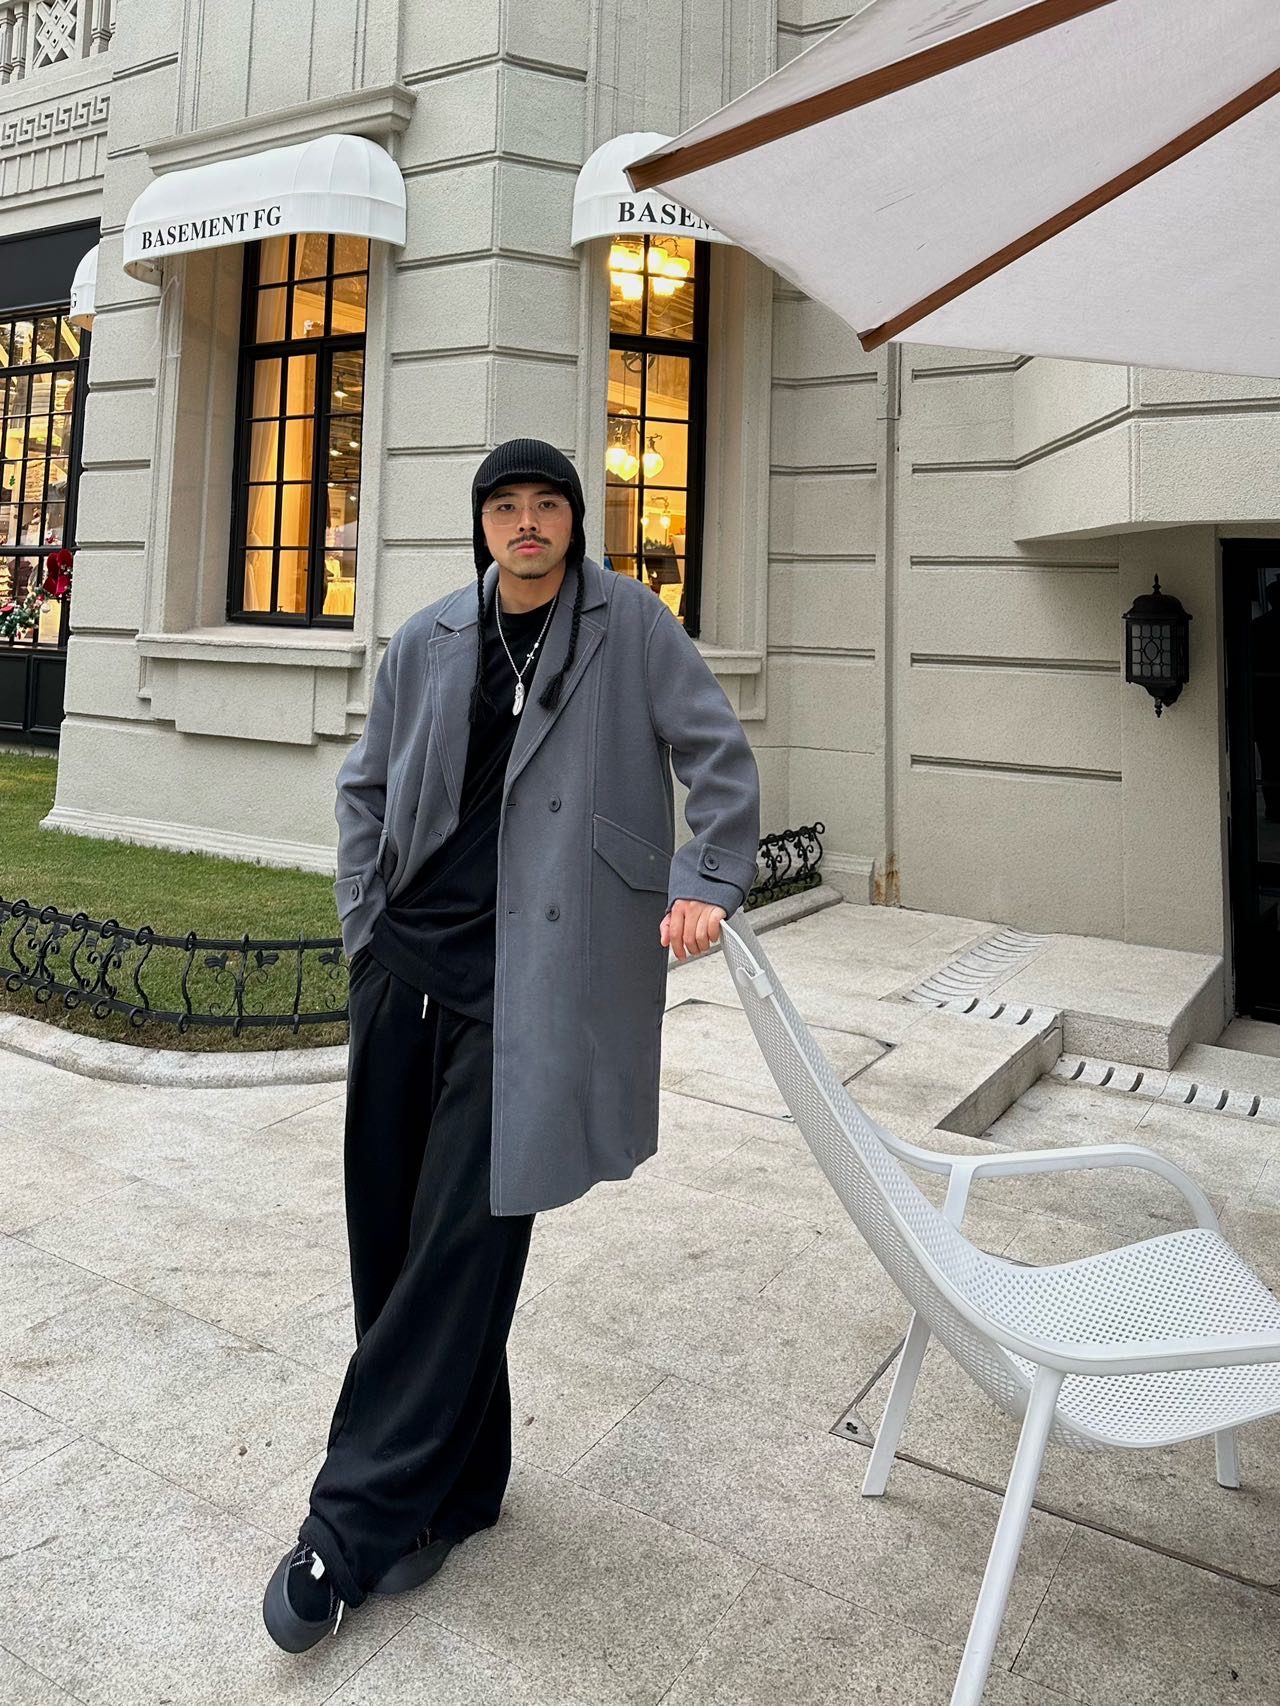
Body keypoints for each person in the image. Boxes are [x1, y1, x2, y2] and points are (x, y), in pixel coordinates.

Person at [262, 438, 761, 1651]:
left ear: (574, 520)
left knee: (457, 1246)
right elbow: (363, 789)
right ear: (482, 524)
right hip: (403, 972)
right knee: (392, 1237)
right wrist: (363, 930)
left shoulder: (629, 626)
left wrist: (705, 878)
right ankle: (463, 1484)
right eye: (505, 507)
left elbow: (718, 757)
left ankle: (348, 1525)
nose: (526, 523)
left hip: (532, 990)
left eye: (546, 505)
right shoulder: (430, 634)